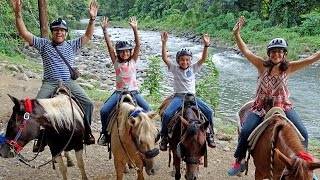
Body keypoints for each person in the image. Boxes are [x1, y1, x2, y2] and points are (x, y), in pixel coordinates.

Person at [228, 16, 320, 176]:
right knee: (245, 131)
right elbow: (246, 51)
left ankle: (304, 165)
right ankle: (239, 160)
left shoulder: (289, 68)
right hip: (261, 109)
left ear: (284, 54)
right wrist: (236, 34)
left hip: (283, 108)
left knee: (304, 133)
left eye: (280, 52)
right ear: (269, 53)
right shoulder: (261, 65)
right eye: (273, 51)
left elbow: (311, 58)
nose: (276, 54)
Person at [11, 0, 98, 151]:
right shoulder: (43, 44)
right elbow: (24, 33)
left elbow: (88, 35)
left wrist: (92, 19)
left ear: (66, 33)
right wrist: (18, 14)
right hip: (50, 83)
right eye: (56, 30)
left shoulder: (72, 44)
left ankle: (87, 132)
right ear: (52, 32)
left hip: (69, 82)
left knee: (89, 103)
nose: (59, 32)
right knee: (35, 108)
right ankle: (41, 139)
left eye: (62, 30)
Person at [98, 16, 152, 145]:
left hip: (134, 92)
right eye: (122, 52)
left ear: (130, 52)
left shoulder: (133, 61)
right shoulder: (116, 62)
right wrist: (105, 31)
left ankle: (147, 131)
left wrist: (135, 29)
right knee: (104, 111)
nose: (125, 54)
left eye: (127, 52)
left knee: (148, 109)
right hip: (119, 93)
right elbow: (109, 47)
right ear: (118, 53)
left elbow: (138, 45)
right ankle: (105, 134)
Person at [159, 31, 216, 151]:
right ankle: (164, 136)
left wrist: (206, 45)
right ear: (178, 61)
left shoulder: (193, 68)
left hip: (192, 97)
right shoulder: (174, 69)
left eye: (187, 60)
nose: (184, 62)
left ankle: (210, 134)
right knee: (167, 114)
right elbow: (165, 58)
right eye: (182, 60)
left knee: (209, 111)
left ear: (190, 61)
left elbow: (203, 58)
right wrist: (164, 43)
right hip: (179, 98)